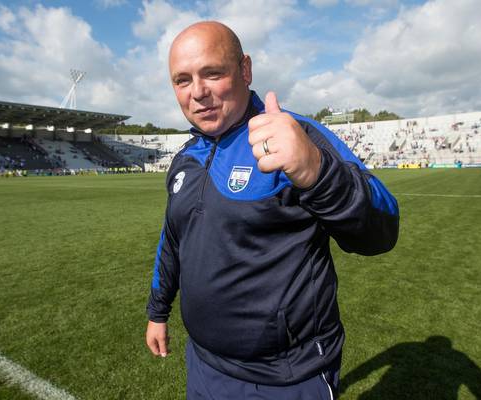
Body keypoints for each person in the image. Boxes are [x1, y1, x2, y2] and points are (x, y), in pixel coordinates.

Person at [145, 21, 399, 399]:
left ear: (245, 70)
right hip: (203, 365)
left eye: (212, 73)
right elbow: (174, 240)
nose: (198, 92)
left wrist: (316, 171)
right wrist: (158, 311)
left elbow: (383, 228)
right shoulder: (185, 158)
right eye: (182, 80)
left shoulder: (295, 134)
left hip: (286, 376)